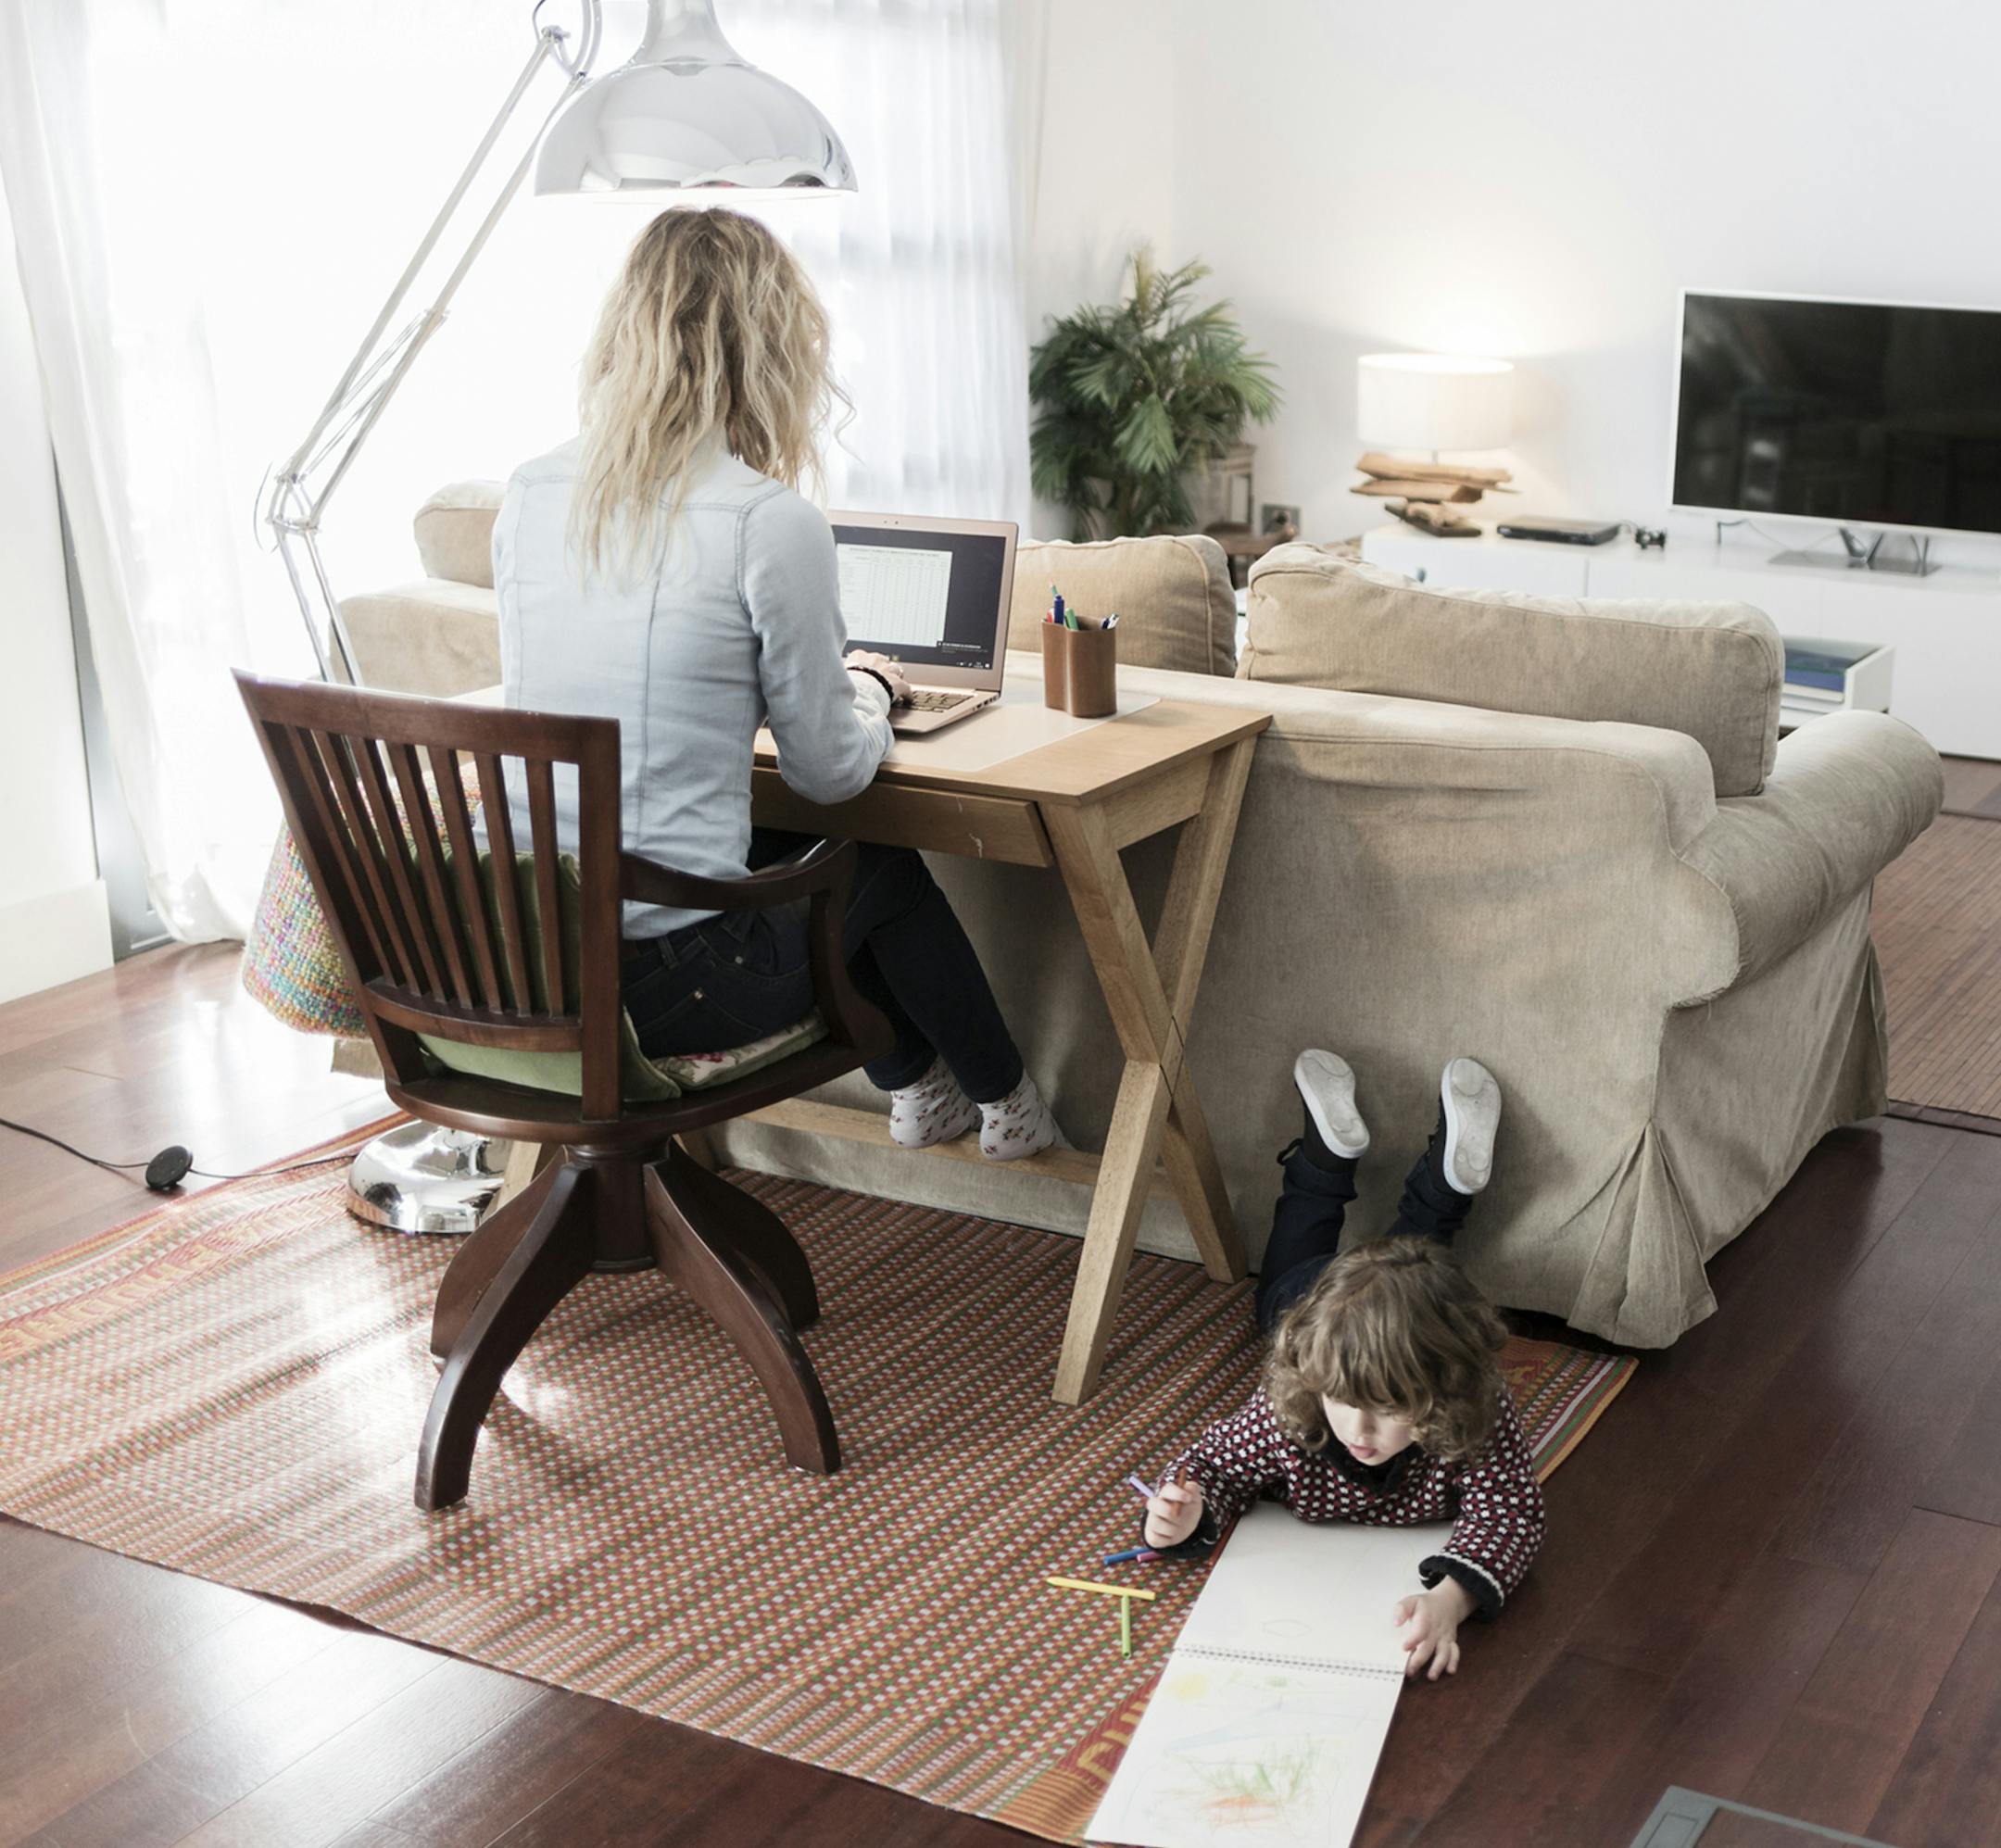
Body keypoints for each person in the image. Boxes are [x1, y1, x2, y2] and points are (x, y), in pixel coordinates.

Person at [492, 207, 1058, 1161]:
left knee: (795, 844)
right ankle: (1005, 1101)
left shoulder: (530, 492)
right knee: (867, 853)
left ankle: (923, 1087)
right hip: (666, 986)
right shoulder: (765, 520)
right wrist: (870, 686)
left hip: (517, 960)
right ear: (768, 351)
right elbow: (831, 771)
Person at [1139, 1050, 1543, 1679]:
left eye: (1390, 1409)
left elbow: (1511, 1509)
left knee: (1410, 1276)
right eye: (1345, 1400)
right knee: (1293, 1286)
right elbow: (1210, 1465)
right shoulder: (1293, 1398)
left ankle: (1339, 1161)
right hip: (1306, 1300)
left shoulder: (1473, 1408)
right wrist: (1181, 1515)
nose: (1359, 1430)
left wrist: (1449, 1599)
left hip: (1383, 1310)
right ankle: (1357, 1163)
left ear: (1444, 1391)